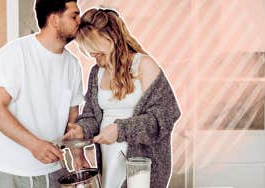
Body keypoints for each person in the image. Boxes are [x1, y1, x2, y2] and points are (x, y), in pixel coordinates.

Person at [64, 8, 181, 188]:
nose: (90, 53)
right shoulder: (97, 72)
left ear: (112, 37)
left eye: (93, 44)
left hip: (141, 164)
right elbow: (92, 116)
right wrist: (81, 130)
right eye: (85, 47)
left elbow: (164, 115)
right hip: (110, 160)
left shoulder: (144, 65)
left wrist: (121, 130)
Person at [0, 0, 83, 187]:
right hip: (7, 172)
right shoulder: (14, 54)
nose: (79, 21)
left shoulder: (73, 65)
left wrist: (77, 156)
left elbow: (72, 121)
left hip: (52, 172)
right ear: (54, 20)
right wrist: (34, 145)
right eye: (73, 15)